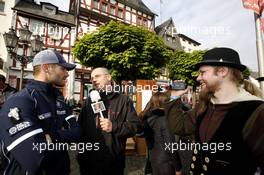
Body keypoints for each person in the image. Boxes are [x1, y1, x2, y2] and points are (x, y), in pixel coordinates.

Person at [166, 47, 264, 175]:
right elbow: (180, 127)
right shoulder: (205, 105)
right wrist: (174, 96)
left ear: (222, 71)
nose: (198, 78)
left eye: (203, 72)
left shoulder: (256, 111)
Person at [0, 49, 80, 175]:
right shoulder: (21, 101)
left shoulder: (60, 99)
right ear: (46, 67)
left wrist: (53, 137)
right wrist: (65, 139)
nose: (67, 74)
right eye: (63, 69)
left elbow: (77, 132)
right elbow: (36, 157)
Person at [77, 67, 142, 175]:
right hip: (88, 162)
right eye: (92, 77)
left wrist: (114, 126)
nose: (93, 80)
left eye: (97, 76)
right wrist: (80, 153)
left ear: (109, 77)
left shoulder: (123, 100)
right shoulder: (89, 101)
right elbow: (80, 127)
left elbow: (136, 126)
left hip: (112, 162)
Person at [139, 92, 182, 175]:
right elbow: (171, 146)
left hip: (153, 160)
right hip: (166, 164)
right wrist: (178, 167)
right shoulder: (164, 120)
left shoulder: (148, 118)